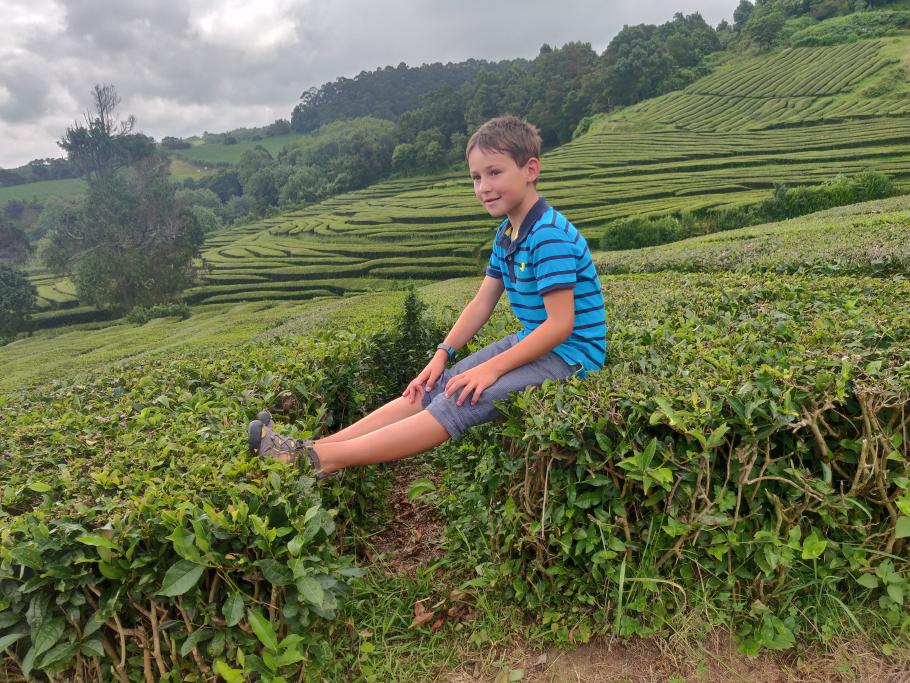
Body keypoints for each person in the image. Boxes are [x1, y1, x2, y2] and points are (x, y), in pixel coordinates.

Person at [248, 115, 606, 478]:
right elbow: (482, 303)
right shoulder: (506, 233)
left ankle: (313, 461)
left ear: (530, 169)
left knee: (462, 398)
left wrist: (492, 368)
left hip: (571, 358)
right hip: (534, 342)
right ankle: (309, 448)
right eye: (476, 177)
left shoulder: (548, 235)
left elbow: (560, 325)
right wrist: (442, 353)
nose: (484, 187)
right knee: (434, 385)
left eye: (494, 173)